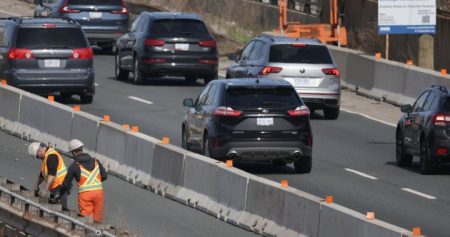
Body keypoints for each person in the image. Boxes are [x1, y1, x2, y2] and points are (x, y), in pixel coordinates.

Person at [60, 139, 108, 223]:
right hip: (99, 193)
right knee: (97, 221)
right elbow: (104, 176)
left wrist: (61, 192)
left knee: (86, 222)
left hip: (86, 195)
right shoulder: (96, 161)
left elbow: (66, 184)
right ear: (82, 149)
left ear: (73, 152)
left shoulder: (74, 166)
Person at [28, 142, 69, 209]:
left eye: (37, 156)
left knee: (61, 207)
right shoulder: (46, 156)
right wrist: (36, 185)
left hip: (61, 186)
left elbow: (52, 176)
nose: (38, 158)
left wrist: (45, 190)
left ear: (39, 150)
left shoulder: (51, 156)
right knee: (54, 206)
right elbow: (43, 173)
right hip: (55, 185)